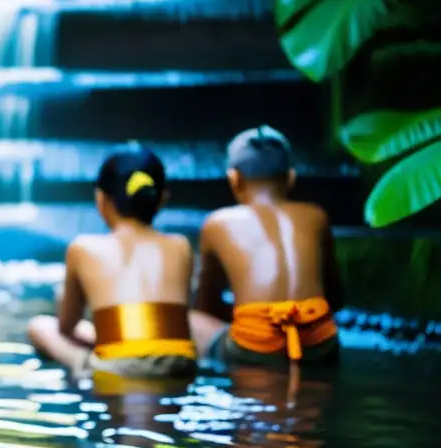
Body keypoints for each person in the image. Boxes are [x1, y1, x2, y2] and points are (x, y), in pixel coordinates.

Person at [27, 145, 197, 381]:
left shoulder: (83, 247)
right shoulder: (182, 246)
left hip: (120, 367)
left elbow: (66, 327)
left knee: (40, 327)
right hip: (180, 361)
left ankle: (84, 366)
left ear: (101, 199)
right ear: (162, 199)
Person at [189, 125, 344, 366]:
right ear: (291, 177)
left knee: (191, 320)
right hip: (318, 341)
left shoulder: (218, 222)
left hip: (257, 344)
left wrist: (257, 315)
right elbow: (336, 299)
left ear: (234, 179)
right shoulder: (316, 216)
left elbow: (207, 304)